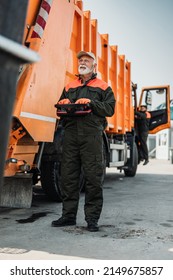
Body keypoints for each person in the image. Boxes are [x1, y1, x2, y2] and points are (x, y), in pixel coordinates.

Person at [51, 51, 115, 232]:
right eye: (80, 60)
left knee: (93, 178)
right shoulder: (70, 86)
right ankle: (68, 216)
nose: (82, 62)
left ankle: (92, 219)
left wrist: (91, 103)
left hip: (91, 135)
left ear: (94, 65)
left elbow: (110, 109)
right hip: (70, 134)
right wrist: (63, 102)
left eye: (87, 60)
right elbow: (60, 109)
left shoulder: (103, 87)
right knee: (68, 177)